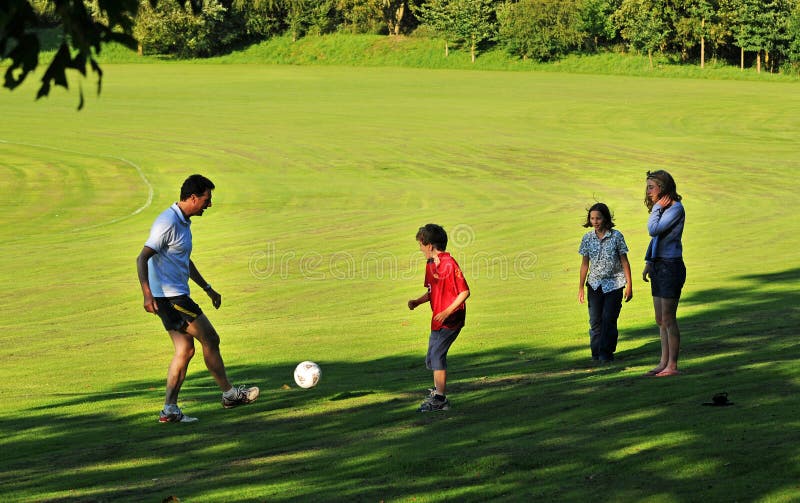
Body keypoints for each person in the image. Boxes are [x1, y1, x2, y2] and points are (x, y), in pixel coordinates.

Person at [136, 174, 259, 423]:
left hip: (172, 297)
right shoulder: (167, 222)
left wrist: (207, 287)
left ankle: (169, 409)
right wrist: (147, 295)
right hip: (172, 298)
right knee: (210, 338)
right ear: (193, 197)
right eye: (206, 199)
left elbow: (183, 260)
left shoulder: (183, 222)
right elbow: (142, 258)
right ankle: (230, 394)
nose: (209, 205)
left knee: (184, 350)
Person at [407, 224, 470, 412]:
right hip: (437, 319)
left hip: (451, 319)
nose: (420, 249)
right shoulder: (430, 264)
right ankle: (437, 392)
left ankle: (440, 399)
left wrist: (447, 311)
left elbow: (464, 292)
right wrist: (418, 302)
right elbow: (432, 291)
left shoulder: (450, 264)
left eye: (421, 245)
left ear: (430, 245)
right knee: (431, 358)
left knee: (437, 356)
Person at [641, 170, 686, 377]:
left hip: (671, 266)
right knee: (660, 319)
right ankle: (663, 362)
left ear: (664, 188)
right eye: (648, 186)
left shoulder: (675, 208)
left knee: (668, 318)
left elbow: (653, 230)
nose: (648, 191)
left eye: (652, 187)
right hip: (659, 265)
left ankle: (672, 366)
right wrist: (649, 261)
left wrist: (658, 207)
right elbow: (655, 240)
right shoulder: (663, 209)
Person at [578, 202, 633, 362]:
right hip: (594, 285)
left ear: (605, 218)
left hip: (615, 284)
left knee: (609, 319)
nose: (595, 221)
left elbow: (624, 262)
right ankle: (596, 354)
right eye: (592, 218)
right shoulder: (587, 238)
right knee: (595, 321)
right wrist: (581, 286)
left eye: (598, 218)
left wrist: (629, 285)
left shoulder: (616, 236)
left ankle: (606, 354)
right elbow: (584, 264)